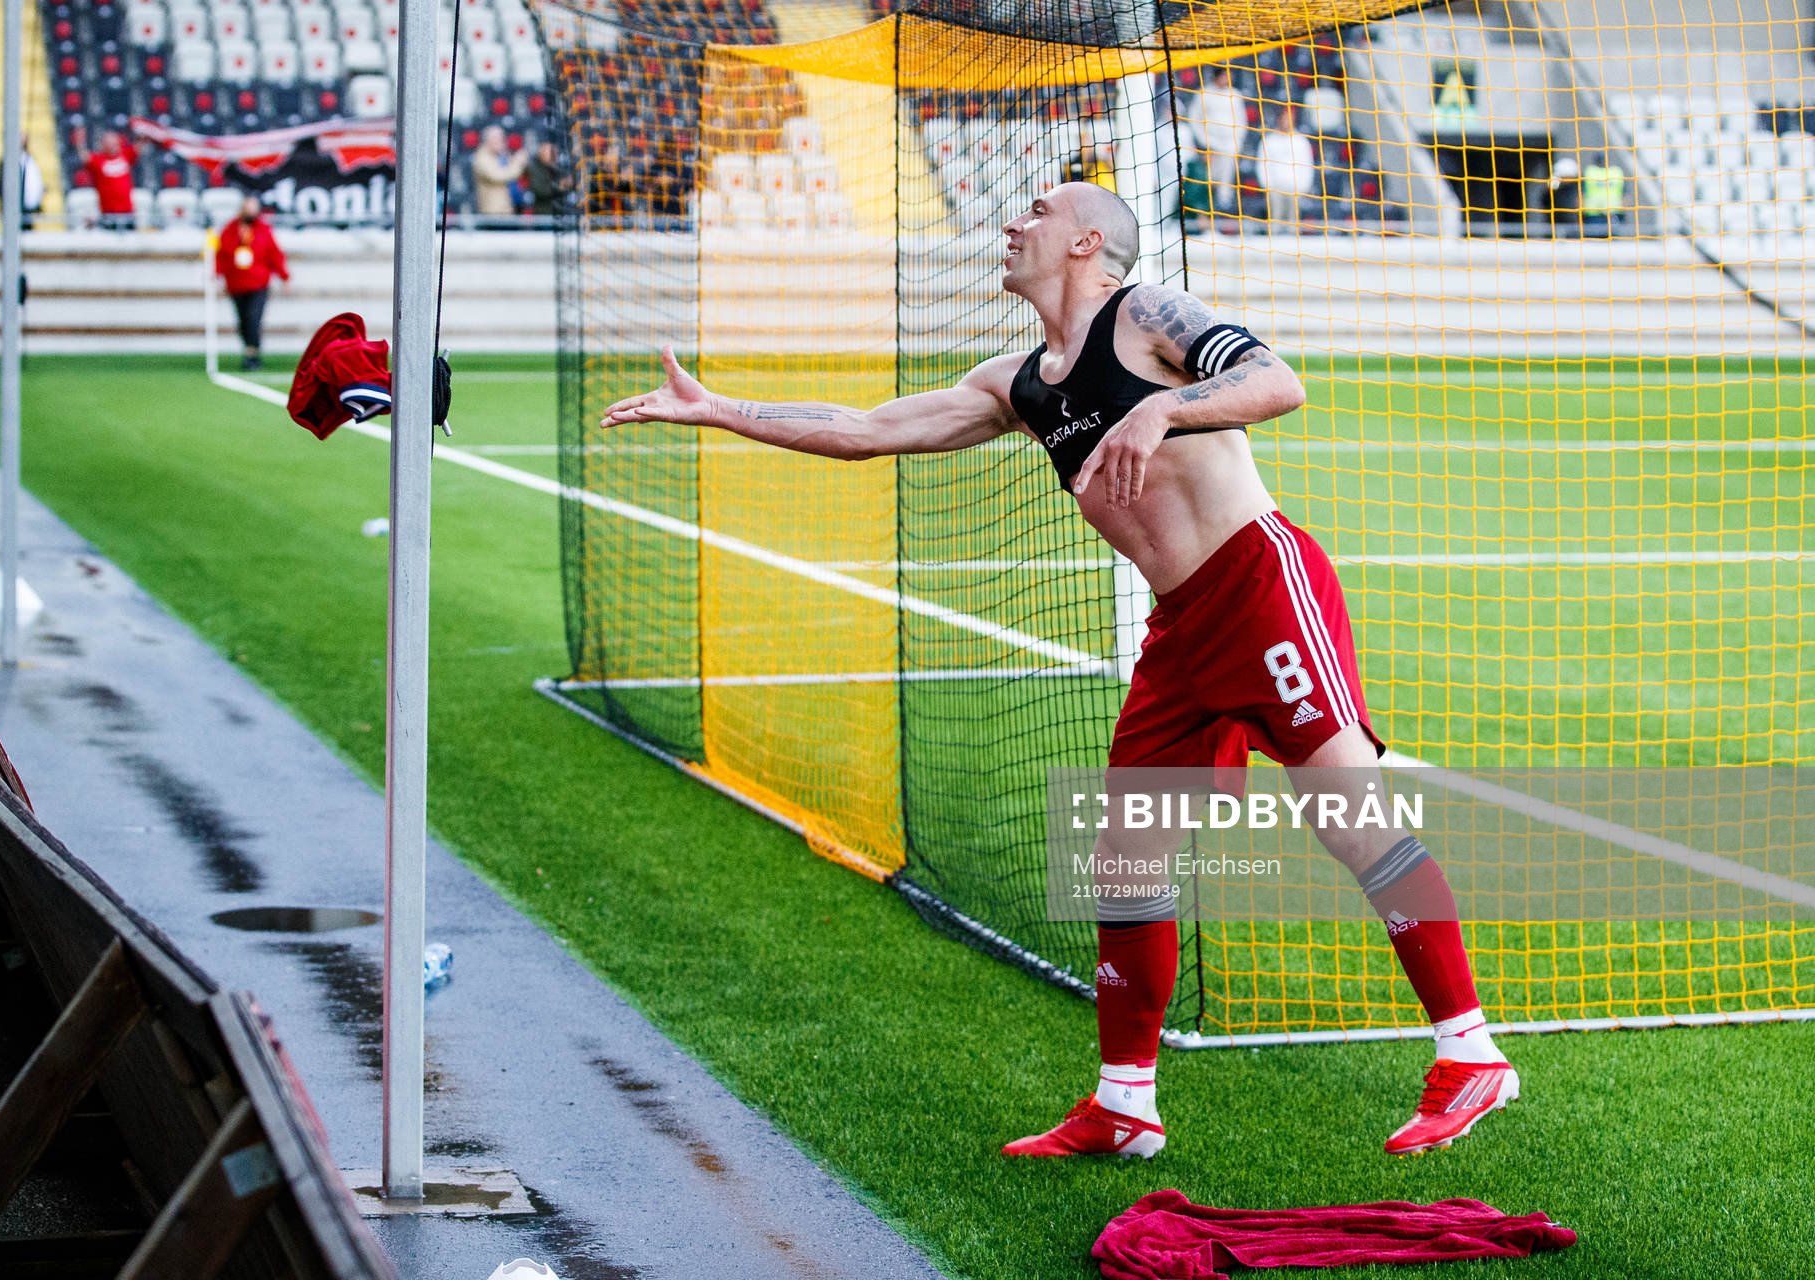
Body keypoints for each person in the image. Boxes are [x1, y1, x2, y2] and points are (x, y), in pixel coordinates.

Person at [603, 182, 1517, 1161]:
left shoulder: (1149, 315)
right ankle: (1125, 1104)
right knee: (1126, 857)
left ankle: (1470, 1054)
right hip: (1180, 631)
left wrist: (1159, 409)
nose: (1013, 222)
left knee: (1349, 816)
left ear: (1088, 241)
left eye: (1037, 210)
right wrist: (720, 409)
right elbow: (865, 430)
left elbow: (1278, 381)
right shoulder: (1018, 385)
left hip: (1260, 586)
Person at [214, 194, 289, 371]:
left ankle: (252, 353)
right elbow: (221, 255)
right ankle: (249, 349)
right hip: (236, 283)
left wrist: (284, 276)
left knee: (253, 318)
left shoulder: (263, 230)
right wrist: (216, 274)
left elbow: (274, 254)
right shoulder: (230, 229)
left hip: (258, 283)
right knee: (242, 320)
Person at [1190, 66, 1248, 226]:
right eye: (1225, 75)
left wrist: (1237, 143)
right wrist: (1204, 143)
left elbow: (1241, 121)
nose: (1228, 79)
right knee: (1207, 182)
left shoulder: (1235, 95)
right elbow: (1194, 119)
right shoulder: (1204, 93)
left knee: (1224, 185)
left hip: (1229, 146)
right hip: (1209, 146)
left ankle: (1222, 211)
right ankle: (1203, 217)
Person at [1256, 105, 1318, 233]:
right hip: (1274, 187)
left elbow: (1307, 165)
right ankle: (1273, 236)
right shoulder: (1269, 141)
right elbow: (1262, 165)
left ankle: (1293, 238)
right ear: (1279, 119)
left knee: (1293, 219)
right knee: (1275, 216)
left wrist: (1303, 187)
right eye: (1284, 118)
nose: (1286, 122)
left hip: (1295, 187)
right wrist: (1267, 185)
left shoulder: (1301, 141)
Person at [471, 125, 529, 221]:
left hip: (509, 210)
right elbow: (499, 176)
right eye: (498, 139)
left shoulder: (500, 155)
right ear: (488, 140)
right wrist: (517, 163)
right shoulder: (482, 158)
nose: (502, 142)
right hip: (494, 213)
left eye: (502, 139)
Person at [84, 129, 138, 230]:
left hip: (127, 213)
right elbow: (85, 158)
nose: (113, 146)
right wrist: (80, 143)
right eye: (109, 143)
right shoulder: (99, 160)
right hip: (108, 214)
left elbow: (138, 147)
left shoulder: (126, 155)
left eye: (115, 143)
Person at [0, 139, 45, 231]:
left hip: (27, 209)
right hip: (13, 208)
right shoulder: (7, 162)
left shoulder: (29, 159)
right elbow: (0, 186)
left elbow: (34, 185)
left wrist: (38, 206)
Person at [1581, 151, 1627, 236]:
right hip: (1607, 214)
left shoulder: (1589, 172)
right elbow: (1625, 197)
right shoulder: (1616, 173)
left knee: (1594, 240)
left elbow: (1581, 195)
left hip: (1597, 215)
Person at [524, 140, 572, 222]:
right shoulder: (534, 168)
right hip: (543, 214)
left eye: (554, 152)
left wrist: (565, 184)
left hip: (560, 213)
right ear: (541, 152)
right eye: (550, 152)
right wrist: (559, 186)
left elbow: (568, 184)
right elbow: (541, 190)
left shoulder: (556, 167)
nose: (553, 155)